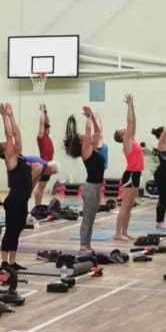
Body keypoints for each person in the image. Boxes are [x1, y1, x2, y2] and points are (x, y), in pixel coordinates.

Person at [0, 103, 39, 271]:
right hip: (13, 201)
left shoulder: (19, 156)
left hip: (22, 201)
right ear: (4, 152)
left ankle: (13, 262)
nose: (10, 143)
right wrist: (4, 117)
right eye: (6, 145)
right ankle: (4, 262)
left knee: (18, 230)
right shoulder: (11, 160)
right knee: (11, 231)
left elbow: (17, 134)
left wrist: (12, 116)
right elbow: (9, 134)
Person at [69, 106, 105, 257]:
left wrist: (94, 119)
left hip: (96, 188)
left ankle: (88, 245)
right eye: (83, 136)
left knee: (91, 219)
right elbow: (89, 130)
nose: (86, 135)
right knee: (87, 219)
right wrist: (89, 117)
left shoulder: (93, 148)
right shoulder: (86, 150)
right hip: (90, 188)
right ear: (81, 141)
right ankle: (83, 246)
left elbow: (97, 132)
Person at [109, 94, 144, 242]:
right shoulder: (127, 142)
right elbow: (130, 122)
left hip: (136, 174)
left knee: (130, 207)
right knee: (124, 206)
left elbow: (133, 123)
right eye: (121, 130)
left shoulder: (132, 139)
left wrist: (132, 107)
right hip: (130, 175)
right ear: (121, 136)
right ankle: (117, 233)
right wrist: (129, 105)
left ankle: (125, 232)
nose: (125, 128)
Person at [32, 104, 54, 212]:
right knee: (39, 188)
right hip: (44, 166)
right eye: (47, 127)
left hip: (49, 166)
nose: (49, 128)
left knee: (42, 188)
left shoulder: (47, 136)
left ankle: (38, 206)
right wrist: (41, 112)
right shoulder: (41, 136)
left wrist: (46, 112)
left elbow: (46, 123)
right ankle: (37, 207)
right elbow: (41, 123)